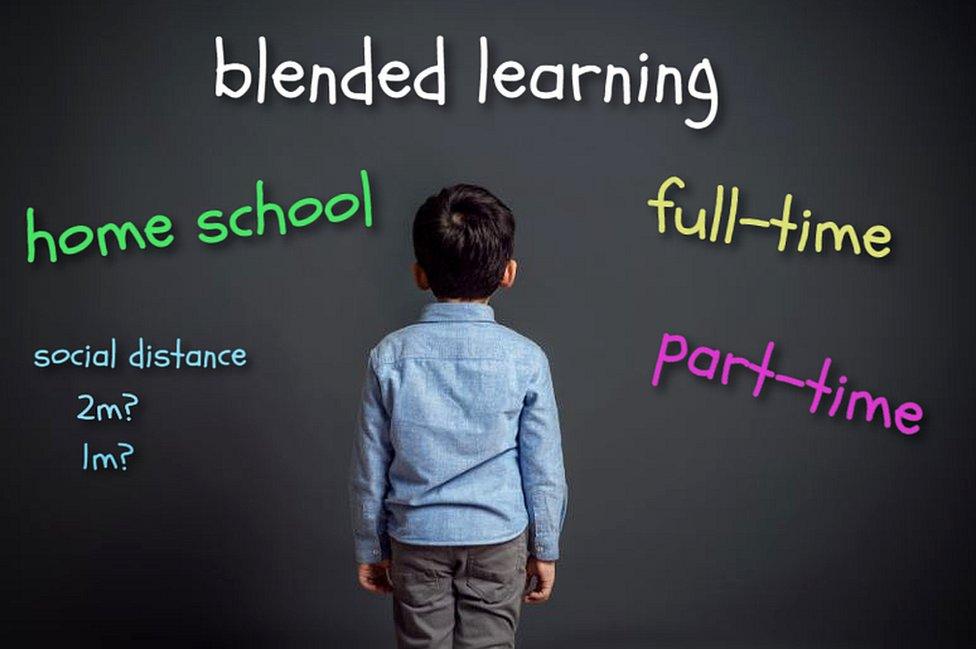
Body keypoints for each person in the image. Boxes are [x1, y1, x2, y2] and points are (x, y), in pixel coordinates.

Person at [349, 183, 568, 648]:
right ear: (508, 273)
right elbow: (543, 467)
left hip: (415, 536)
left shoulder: (389, 356)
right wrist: (545, 547)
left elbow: (371, 464)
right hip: (498, 537)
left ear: (419, 274)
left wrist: (370, 545)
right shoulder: (526, 359)